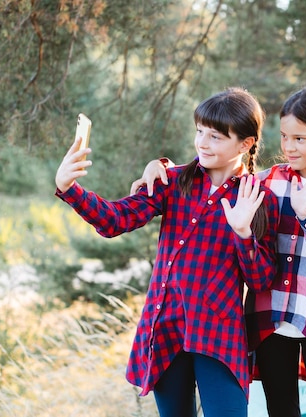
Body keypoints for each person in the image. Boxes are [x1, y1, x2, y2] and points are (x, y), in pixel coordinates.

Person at [130, 85, 306, 417]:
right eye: (285, 136)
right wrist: (158, 166)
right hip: (268, 321)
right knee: (281, 410)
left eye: (300, 139)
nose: (288, 147)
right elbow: (216, 171)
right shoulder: (268, 181)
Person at [54, 87, 279, 417]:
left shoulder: (259, 198)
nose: (202, 143)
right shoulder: (172, 181)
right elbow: (115, 220)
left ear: (244, 144)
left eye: (215, 137)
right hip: (165, 327)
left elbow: (261, 280)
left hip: (217, 334)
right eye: (199, 131)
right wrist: (69, 189)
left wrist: (243, 232)